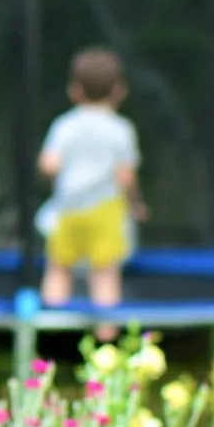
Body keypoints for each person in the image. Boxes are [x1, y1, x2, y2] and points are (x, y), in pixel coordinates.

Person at [37, 47, 148, 341]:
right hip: (106, 211)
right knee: (105, 274)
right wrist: (135, 204)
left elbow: (49, 164)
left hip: (68, 209)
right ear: (119, 90)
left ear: (74, 90)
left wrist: (52, 177)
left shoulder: (65, 125)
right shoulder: (121, 129)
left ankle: (53, 336)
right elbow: (125, 176)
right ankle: (106, 340)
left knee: (59, 269)